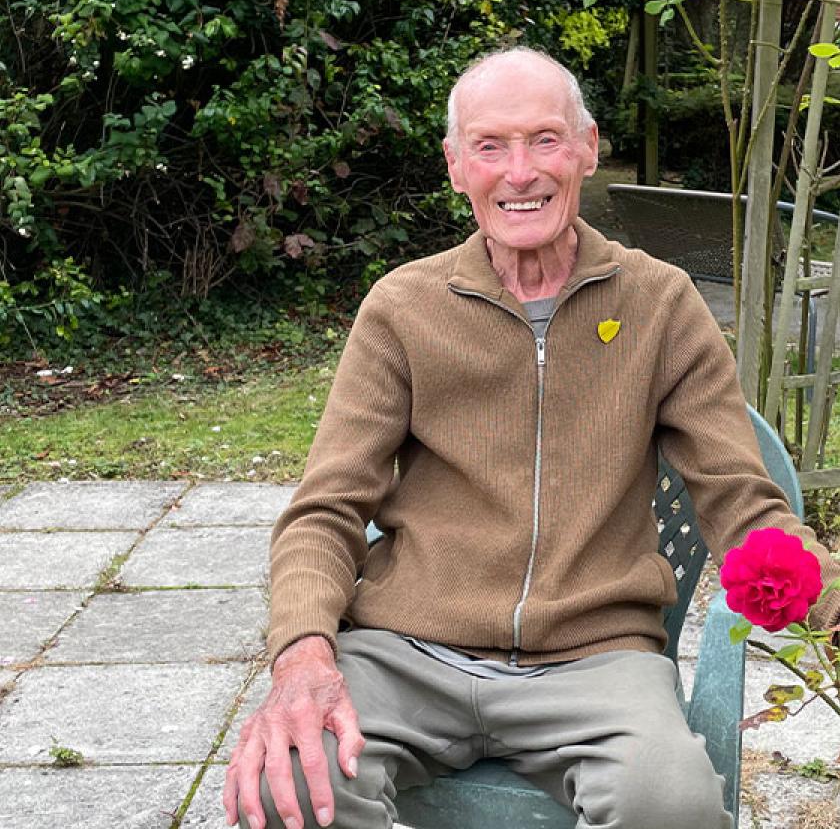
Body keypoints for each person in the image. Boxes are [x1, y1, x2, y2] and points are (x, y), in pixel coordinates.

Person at [223, 47, 840, 829]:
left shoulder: (661, 303)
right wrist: (304, 655)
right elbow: (326, 509)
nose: (520, 172)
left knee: (673, 807)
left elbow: (738, 500)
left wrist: (831, 600)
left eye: (545, 139)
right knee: (287, 788)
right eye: (490, 146)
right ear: (455, 167)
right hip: (406, 651)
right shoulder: (404, 308)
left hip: (597, 662)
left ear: (587, 148)